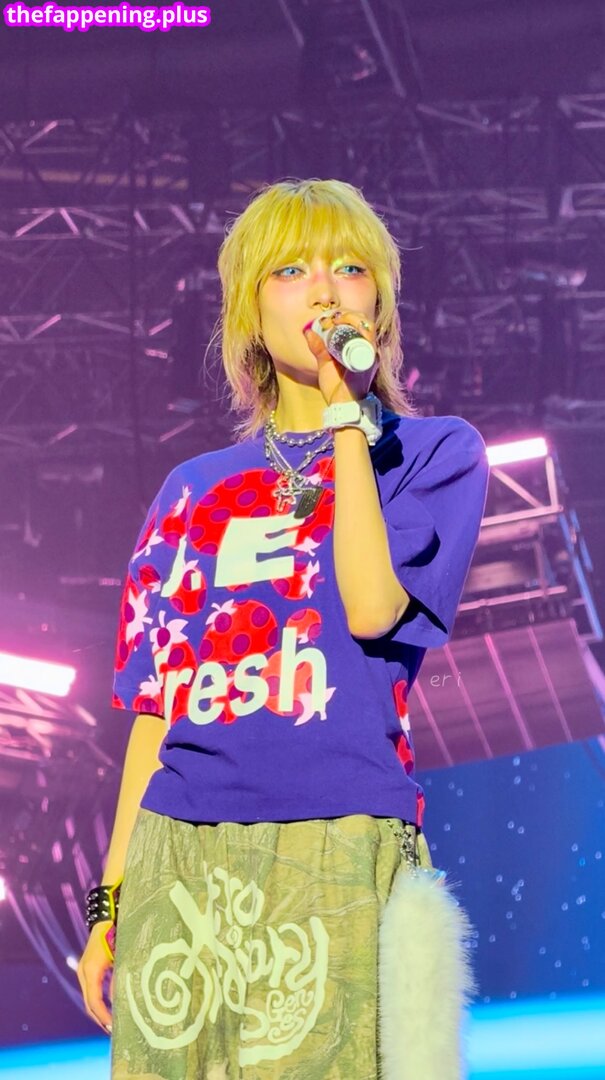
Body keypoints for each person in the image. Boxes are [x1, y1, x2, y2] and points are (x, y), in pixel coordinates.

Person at [77, 178, 489, 1079]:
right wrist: (109, 904)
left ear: (379, 305)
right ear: (249, 312)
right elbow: (156, 709)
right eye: (291, 270)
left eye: (350, 269)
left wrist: (347, 416)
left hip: (335, 839)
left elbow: (371, 608)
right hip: (179, 851)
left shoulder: (432, 454)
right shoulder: (189, 490)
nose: (325, 290)